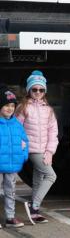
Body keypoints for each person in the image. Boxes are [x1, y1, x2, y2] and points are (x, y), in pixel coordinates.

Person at [16, 70, 58, 224]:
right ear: (29, 90)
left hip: (44, 150)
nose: (38, 92)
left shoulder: (49, 110)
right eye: (34, 89)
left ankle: (34, 213)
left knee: (38, 179)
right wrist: (22, 144)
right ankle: (33, 205)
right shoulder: (23, 107)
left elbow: (53, 132)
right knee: (51, 176)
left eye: (41, 90)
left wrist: (50, 151)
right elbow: (17, 128)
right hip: (31, 149)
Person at [0, 84, 29, 228]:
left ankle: (10, 217)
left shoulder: (16, 124)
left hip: (11, 165)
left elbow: (25, 141)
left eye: (12, 105)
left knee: (10, 192)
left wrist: (23, 156)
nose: (10, 108)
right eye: (6, 105)